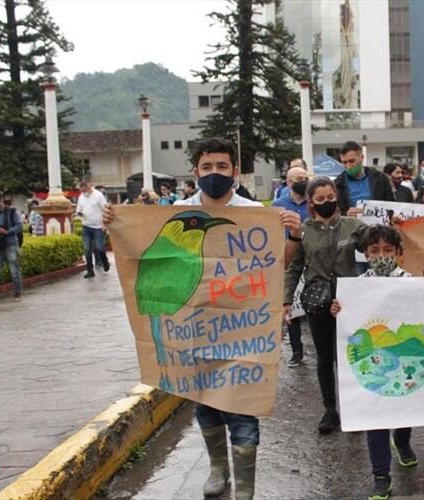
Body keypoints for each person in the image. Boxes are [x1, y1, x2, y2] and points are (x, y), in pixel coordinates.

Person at [103, 138, 301, 500]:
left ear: (234, 171)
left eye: (222, 167)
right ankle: (217, 469)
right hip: (195, 333)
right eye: (207, 168)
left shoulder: (255, 213)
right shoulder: (173, 212)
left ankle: (245, 488)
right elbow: (143, 255)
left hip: (243, 334)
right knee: (205, 402)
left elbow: (279, 264)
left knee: (244, 408)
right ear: (196, 172)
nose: (215, 174)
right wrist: (115, 225)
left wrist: (294, 234)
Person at [329, 224, 424, 500]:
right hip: (375, 367)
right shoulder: (357, 288)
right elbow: (349, 320)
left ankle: (402, 441)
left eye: (387, 250)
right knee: (376, 415)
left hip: (404, 366)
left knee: (404, 404)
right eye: (374, 251)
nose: (381, 255)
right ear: (366, 254)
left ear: (399, 253)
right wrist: (338, 309)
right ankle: (381, 475)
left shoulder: (414, 284)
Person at [283, 176, 368, 435]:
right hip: (316, 302)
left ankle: (355, 408)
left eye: (330, 198)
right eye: (320, 199)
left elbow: (376, 245)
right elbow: (294, 266)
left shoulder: (353, 225)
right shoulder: (304, 231)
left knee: (349, 357)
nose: (326, 203)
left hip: (349, 301)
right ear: (311, 203)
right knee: (324, 359)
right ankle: (330, 409)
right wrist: (286, 300)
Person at [272, 164, 310, 368]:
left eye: (305, 178)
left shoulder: (313, 203)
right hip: (289, 262)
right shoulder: (278, 205)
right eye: (299, 179)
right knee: (292, 307)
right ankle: (297, 351)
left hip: (311, 260)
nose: (303, 182)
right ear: (288, 183)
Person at [334, 141, 395, 217]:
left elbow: (392, 205)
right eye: (344, 162)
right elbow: (333, 213)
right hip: (351, 227)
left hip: (378, 226)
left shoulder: (380, 179)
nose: (348, 166)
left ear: (362, 157)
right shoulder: (337, 184)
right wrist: (346, 215)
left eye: (352, 161)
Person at [76, 181, 110, 278]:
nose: (83, 193)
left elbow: (105, 209)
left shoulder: (98, 196)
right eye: (81, 191)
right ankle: (90, 270)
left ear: (89, 187)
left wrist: (105, 224)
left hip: (98, 227)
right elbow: (79, 209)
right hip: (86, 226)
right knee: (87, 249)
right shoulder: (81, 197)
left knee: (99, 247)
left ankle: (104, 260)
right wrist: (80, 213)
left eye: (84, 190)